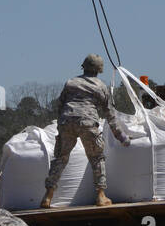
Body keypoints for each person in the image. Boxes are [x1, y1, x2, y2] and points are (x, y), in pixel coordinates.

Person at [40, 53, 131, 209]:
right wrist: (121, 137)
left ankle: (48, 196)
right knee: (96, 158)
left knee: (60, 158)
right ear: (99, 70)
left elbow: (60, 105)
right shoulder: (101, 86)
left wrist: (62, 125)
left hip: (66, 121)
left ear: (84, 67)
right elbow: (110, 114)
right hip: (88, 123)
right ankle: (101, 196)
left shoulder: (70, 83)